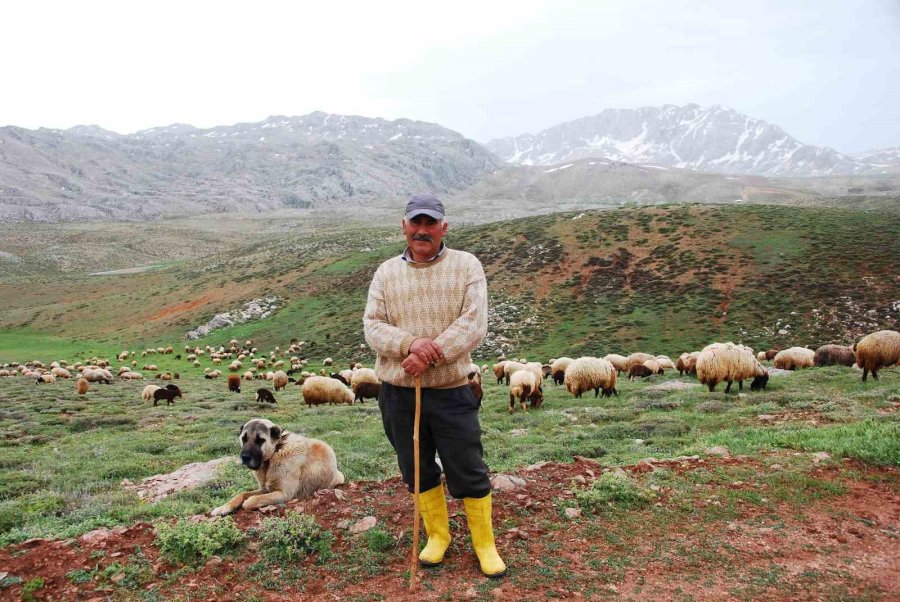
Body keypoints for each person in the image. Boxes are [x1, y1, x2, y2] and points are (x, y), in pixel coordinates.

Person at [363, 194, 506, 578]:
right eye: (416, 223)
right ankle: (437, 537)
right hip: (398, 394)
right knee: (415, 468)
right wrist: (408, 344)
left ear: (444, 227)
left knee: (468, 467)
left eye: (430, 223)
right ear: (404, 226)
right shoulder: (386, 273)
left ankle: (484, 544)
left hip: (451, 391)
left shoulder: (466, 266)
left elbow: (474, 324)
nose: (422, 230)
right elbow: (372, 325)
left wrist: (428, 354)